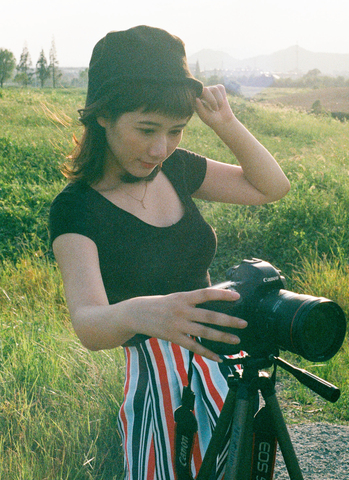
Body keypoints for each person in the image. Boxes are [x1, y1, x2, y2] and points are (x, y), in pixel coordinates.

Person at [49, 25, 290, 480]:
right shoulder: (76, 208)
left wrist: (226, 124)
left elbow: (270, 187)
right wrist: (144, 312)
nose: (160, 148)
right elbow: (88, 323)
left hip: (223, 375)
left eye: (176, 130)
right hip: (156, 388)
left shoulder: (176, 169)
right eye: (146, 129)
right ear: (103, 116)